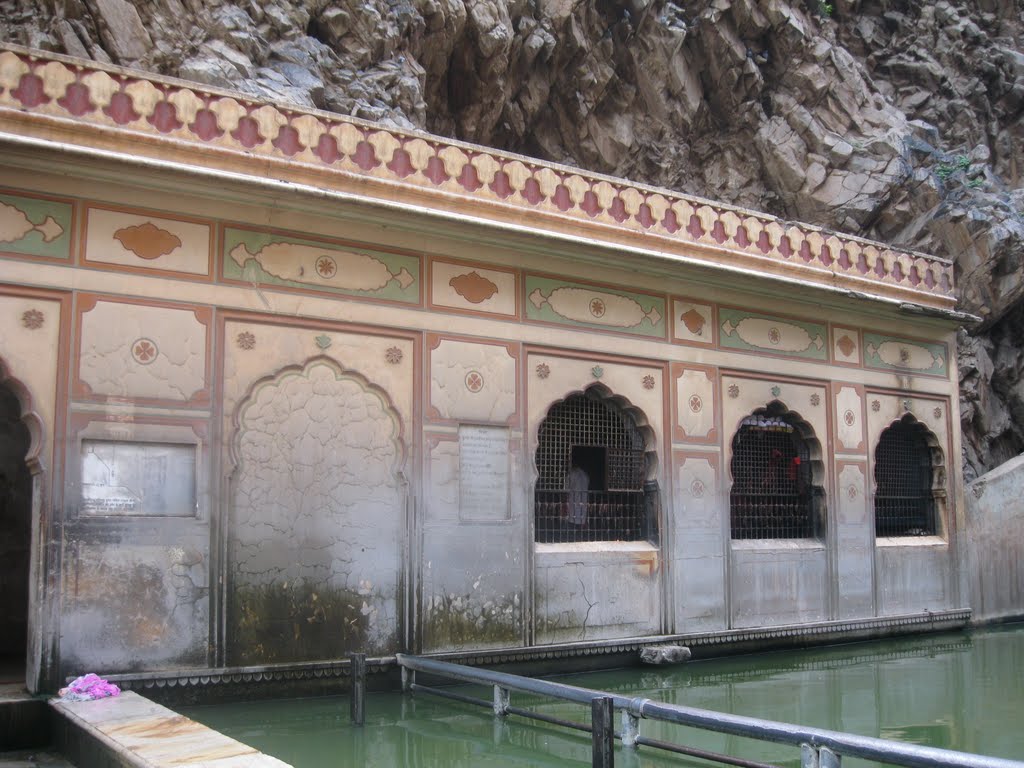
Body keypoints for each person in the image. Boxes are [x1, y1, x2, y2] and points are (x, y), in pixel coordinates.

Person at [564, 462, 589, 537]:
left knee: (572, 520)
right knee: (580, 519)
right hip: (583, 502)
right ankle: (580, 537)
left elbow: (566, 487)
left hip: (573, 501)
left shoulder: (571, 474)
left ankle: (571, 537)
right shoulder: (586, 475)